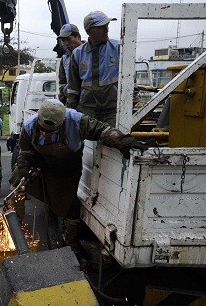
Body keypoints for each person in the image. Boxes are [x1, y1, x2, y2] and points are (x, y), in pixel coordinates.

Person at [11, 99, 147, 262]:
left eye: (51, 131)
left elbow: (103, 131)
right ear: (38, 120)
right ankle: (16, 227)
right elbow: (25, 152)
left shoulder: (77, 121)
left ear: (62, 123)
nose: (45, 134)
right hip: (42, 164)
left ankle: (71, 245)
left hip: (67, 170)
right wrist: (26, 167)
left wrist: (123, 141)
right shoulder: (29, 126)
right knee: (19, 180)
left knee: (70, 207)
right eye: (42, 130)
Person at [67, 11, 120, 127]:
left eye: (107, 25)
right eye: (102, 27)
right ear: (89, 31)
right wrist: (69, 113)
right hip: (88, 112)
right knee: (88, 144)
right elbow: (73, 89)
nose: (107, 30)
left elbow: (130, 81)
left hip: (113, 111)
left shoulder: (118, 48)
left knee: (112, 141)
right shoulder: (77, 54)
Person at [57, 24, 83, 105]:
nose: (66, 43)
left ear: (78, 37)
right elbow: (62, 83)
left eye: (68, 39)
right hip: (71, 102)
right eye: (63, 40)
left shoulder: (88, 54)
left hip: (87, 103)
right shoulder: (65, 58)